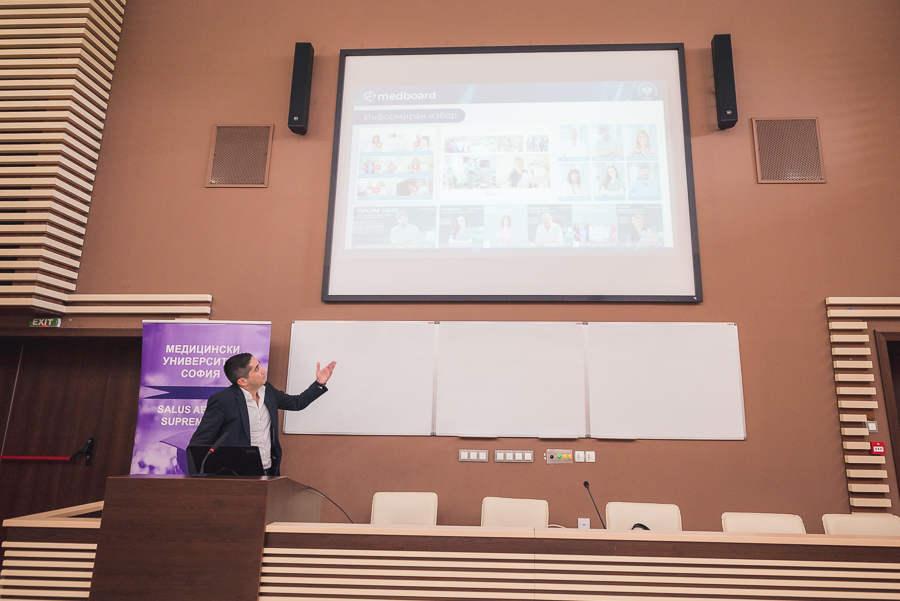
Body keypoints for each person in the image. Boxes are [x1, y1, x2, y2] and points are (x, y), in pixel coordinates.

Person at [189, 353, 336, 476]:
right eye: (257, 369)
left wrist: (319, 383)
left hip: (268, 471)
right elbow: (198, 443)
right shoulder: (223, 401)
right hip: (236, 475)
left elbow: (296, 403)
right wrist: (198, 479)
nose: (263, 370)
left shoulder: (268, 390)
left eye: (259, 365)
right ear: (242, 381)